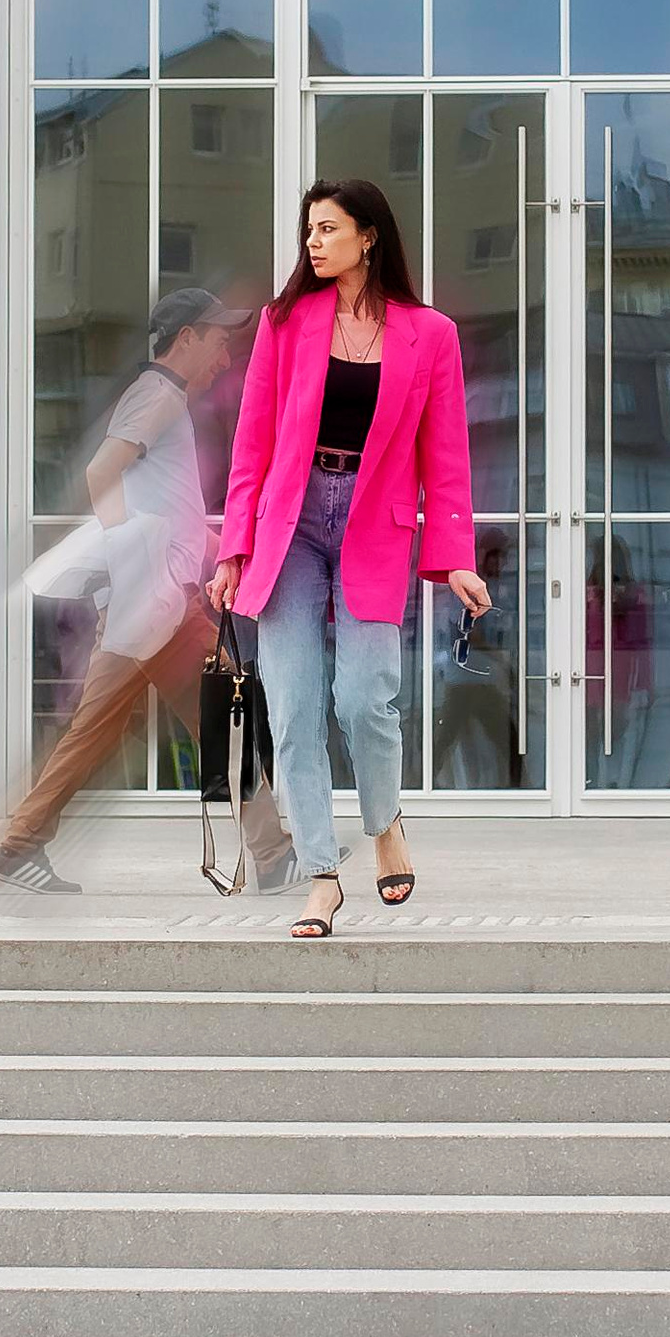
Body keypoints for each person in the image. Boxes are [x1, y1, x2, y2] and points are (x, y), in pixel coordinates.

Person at [211, 182, 488, 940]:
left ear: (368, 236)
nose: (313, 241)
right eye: (308, 230)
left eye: (328, 229)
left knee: (365, 699)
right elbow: (253, 443)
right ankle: (322, 877)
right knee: (294, 709)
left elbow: (448, 457)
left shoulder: (429, 335)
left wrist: (456, 557)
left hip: (372, 524)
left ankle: (385, 820)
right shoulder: (285, 321)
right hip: (290, 525)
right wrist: (235, 546)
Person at [0, 286, 246, 894]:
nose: (225, 358)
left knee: (215, 716)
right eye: (219, 342)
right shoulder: (155, 397)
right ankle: (17, 845)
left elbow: (163, 506)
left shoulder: (166, 400)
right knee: (223, 713)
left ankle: (274, 850)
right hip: (154, 602)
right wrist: (131, 557)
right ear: (187, 339)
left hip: (158, 597)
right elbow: (100, 473)